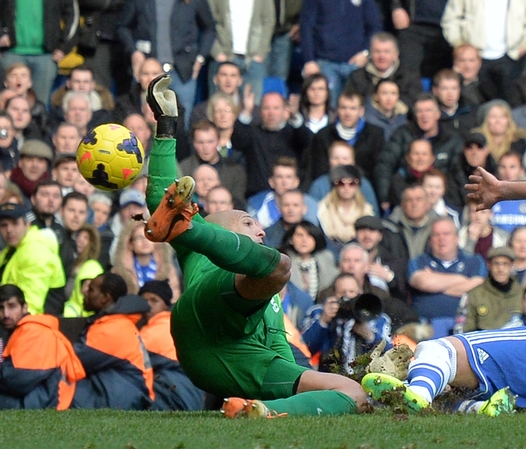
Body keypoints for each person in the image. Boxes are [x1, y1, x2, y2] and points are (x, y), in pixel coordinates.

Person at [140, 74, 371, 417]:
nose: (261, 231)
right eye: (249, 223)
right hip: (211, 314)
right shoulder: (205, 243)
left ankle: (258, 409)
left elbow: (278, 345)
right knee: (277, 266)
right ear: (216, 226)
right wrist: (165, 129)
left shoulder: (257, 281)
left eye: (259, 226)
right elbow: (163, 200)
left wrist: (167, 125)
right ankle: (268, 409)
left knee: (352, 390)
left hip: (227, 357)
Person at [362, 167, 526, 414]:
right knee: (452, 392)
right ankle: (469, 407)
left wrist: (502, 190)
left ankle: (414, 394)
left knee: (435, 351)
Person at [0, 284, 86, 410]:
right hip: (43, 399)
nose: (6, 314)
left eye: (12, 306)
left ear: (25, 307)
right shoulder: (31, 329)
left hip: (43, 403)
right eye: (0, 308)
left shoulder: (33, 331)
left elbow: (18, 381)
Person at [72, 273, 156, 410]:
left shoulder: (114, 327)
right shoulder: (115, 322)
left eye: (91, 289)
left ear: (106, 297)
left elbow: (73, 359)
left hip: (126, 398)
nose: (85, 293)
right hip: (128, 393)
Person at [408, 217, 487, 337]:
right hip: (425, 329)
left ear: (457, 238)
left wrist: (435, 282)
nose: (441, 238)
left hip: (465, 328)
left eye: (446, 234)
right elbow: (423, 283)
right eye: (436, 235)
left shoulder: (475, 261)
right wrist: (462, 280)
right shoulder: (418, 261)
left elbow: (478, 286)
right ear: (430, 241)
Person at [300, 0, 383, 106]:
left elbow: (375, 26)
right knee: (329, 108)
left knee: (355, 108)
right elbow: (306, 27)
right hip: (325, 62)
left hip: (356, 63)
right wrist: (309, 60)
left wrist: (365, 52)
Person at [138, 280, 205, 411]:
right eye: (144, 300)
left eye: (154, 300)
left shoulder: (159, 327)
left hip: (176, 392)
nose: (148, 305)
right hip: (194, 396)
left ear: (165, 304)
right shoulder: (178, 322)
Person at [0, 202, 66, 315]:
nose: (9, 230)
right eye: (4, 225)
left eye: (15, 224)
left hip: (36, 322)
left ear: (27, 225)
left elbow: (31, 305)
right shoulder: (12, 250)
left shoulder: (35, 252)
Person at [455, 247, 523, 333]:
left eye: (505, 264)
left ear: (512, 266)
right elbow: (462, 329)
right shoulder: (474, 295)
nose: (500, 269)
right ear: (488, 265)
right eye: (496, 264)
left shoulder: (521, 294)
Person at [279, 221, 338, 301]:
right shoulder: (283, 261)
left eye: (309, 235)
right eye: (300, 235)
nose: (304, 240)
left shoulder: (326, 259)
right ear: (291, 239)